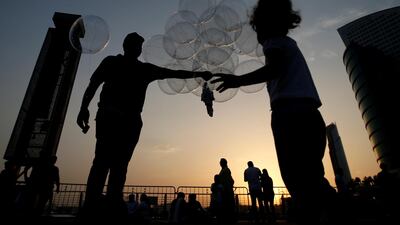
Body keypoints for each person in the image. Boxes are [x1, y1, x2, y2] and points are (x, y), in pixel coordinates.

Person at [211, 1, 336, 224]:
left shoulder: (274, 42)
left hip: (289, 115)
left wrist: (237, 80)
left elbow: (273, 69)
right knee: (312, 177)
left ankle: (309, 215)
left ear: (264, 25)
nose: (257, 34)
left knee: (296, 178)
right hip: (310, 114)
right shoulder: (289, 43)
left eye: (257, 28)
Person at [76, 32, 211, 219]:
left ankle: (101, 205)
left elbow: (93, 85)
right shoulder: (135, 68)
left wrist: (84, 108)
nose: (137, 49)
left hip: (116, 118)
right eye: (136, 45)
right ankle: (100, 205)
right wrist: (83, 108)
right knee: (111, 164)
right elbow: (172, 73)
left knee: (109, 163)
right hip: (121, 120)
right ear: (133, 48)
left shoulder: (119, 64)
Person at [218, 158, 236, 223]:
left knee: (227, 206)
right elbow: (231, 180)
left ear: (223, 163)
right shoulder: (225, 170)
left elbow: (228, 181)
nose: (219, 163)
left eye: (220, 162)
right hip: (226, 190)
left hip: (226, 191)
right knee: (228, 206)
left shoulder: (225, 170)